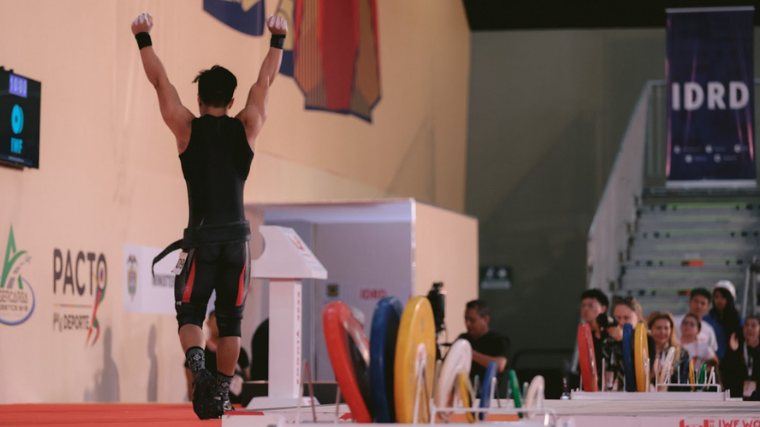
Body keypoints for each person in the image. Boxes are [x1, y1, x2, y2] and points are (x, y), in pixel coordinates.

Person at [131, 12, 288, 419]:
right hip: (238, 242)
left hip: (201, 239)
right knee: (231, 323)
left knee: (190, 314)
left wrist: (143, 36)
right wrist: (277, 40)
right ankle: (219, 391)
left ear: (199, 98)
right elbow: (265, 82)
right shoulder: (248, 124)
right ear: (232, 101)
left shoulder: (186, 128)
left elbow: (159, 82)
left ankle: (199, 371)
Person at [185, 311, 251, 403]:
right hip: (207, 407)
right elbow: (191, 384)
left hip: (236, 406)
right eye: (217, 320)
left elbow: (248, 381)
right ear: (208, 322)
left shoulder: (240, 352)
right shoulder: (198, 353)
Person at [457, 300, 510, 398]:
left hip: (491, 399)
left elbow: (499, 365)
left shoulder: (498, 340)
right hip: (464, 397)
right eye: (466, 319)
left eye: (472, 320)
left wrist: (470, 353)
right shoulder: (463, 339)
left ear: (485, 319)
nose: (467, 324)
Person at [601, 296, 655, 391]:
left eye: (626, 318)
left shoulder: (648, 340)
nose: (621, 322)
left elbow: (643, 372)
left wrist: (624, 341)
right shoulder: (607, 339)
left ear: (638, 317)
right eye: (618, 318)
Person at [721, 315, 760, 399]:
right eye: (746, 325)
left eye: (753, 326)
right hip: (737, 395)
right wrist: (733, 352)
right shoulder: (736, 347)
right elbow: (726, 372)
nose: (749, 328)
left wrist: (756, 351)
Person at [647, 311, 689, 387]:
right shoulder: (642, 352)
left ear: (671, 330)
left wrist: (671, 376)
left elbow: (684, 384)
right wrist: (651, 375)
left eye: (666, 328)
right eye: (658, 328)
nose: (662, 332)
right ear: (650, 329)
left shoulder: (681, 354)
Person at [703, 281, 744, 361]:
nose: (719, 300)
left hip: (733, 364)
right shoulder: (706, 321)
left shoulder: (739, 321)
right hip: (711, 363)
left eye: (723, 297)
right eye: (716, 296)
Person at [579, 289, 610, 388]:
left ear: (603, 308)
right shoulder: (585, 335)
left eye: (591, 305)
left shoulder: (611, 335)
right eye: (583, 305)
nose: (586, 309)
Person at [673, 288, 718, 353]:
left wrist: (703, 364)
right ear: (689, 303)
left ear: (708, 307)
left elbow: (710, 356)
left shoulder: (709, 330)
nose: (698, 306)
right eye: (696, 302)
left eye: (703, 303)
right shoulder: (674, 322)